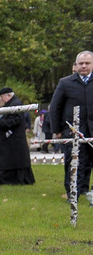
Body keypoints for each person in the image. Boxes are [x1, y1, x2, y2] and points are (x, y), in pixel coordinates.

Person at [51, 51, 93, 199]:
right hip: (73, 131)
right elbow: (55, 107)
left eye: (87, 63)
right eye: (81, 63)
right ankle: (72, 192)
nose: (84, 66)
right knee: (74, 163)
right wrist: (56, 130)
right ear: (76, 65)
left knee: (88, 163)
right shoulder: (65, 83)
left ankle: (86, 190)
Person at [0, 88, 35, 185]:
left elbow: (16, 119)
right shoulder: (10, 103)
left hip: (13, 138)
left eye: (2, 97)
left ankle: (10, 179)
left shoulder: (15, 104)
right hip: (10, 139)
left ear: (8, 95)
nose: (1, 100)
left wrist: (1, 122)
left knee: (12, 160)